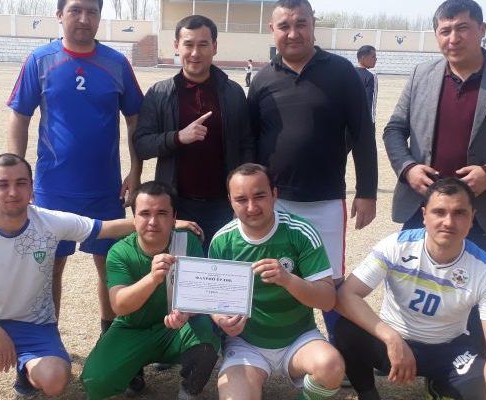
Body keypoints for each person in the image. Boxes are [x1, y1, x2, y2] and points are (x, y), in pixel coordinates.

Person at [382, 0, 486, 353]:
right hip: (422, 206)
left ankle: (469, 365)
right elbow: (394, 129)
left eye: (462, 28)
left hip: (483, 212)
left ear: (481, 30)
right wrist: (408, 168)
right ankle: (413, 355)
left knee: (477, 292)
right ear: (436, 35)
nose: (453, 38)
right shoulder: (421, 74)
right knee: (413, 285)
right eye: (445, 30)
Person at [0, 154, 142, 400]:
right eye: (2, 184)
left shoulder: (49, 222)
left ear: (31, 187)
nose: (12, 192)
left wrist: (163, 221)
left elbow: (107, 228)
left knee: (55, 380)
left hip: (36, 326)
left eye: (21, 183)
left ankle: (25, 365)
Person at [6, 0, 145, 335]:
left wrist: (136, 172)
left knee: (111, 267)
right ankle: (47, 339)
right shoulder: (40, 61)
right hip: (54, 189)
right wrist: (16, 176)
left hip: (106, 190)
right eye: (75, 10)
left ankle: (110, 337)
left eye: (92, 12)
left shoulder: (116, 63)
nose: (84, 19)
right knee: (50, 267)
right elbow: (20, 117)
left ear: (99, 17)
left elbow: (135, 120)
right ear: (59, 15)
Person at [248, 0, 378, 338]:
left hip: (325, 200)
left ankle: (342, 348)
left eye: (301, 24)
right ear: (272, 30)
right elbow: (251, 142)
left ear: (313, 24)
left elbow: (363, 133)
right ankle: (280, 342)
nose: (293, 33)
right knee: (276, 276)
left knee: (330, 281)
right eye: (284, 26)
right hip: (275, 202)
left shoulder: (342, 72)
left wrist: (367, 192)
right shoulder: (262, 80)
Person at [333, 178, 486, 400]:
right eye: (439, 212)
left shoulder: (485, 268)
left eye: (459, 213)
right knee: (346, 329)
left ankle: (439, 385)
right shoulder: (396, 245)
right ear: (424, 215)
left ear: (472, 218)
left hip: (450, 353)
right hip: (394, 343)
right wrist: (391, 338)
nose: (448, 222)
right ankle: (368, 394)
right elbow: (346, 295)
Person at [210, 163, 345, 400]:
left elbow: (327, 300)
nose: (252, 207)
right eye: (241, 199)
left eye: (259, 196)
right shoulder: (222, 241)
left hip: (298, 339)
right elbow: (213, 299)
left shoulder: (301, 232)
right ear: (230, 201)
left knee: (331, 367)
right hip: (245, 345)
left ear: (274, 194)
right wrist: (222, 319)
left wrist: (288, 279)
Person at [81, 181, 220, 400]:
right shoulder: (120, 252)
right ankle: (133, 374)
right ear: (134, 218)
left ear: (174, 218)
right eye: (145, 214)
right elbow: (119, 305)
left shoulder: (188, 243)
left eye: (162, 213)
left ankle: (189, 390)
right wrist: (153, 278)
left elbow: (200, 294)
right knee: (95, 381)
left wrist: (186, 313)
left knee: (208, 340)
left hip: (175, 329)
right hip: (132, 328)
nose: (153, 222)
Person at [134, 15, 254, 252]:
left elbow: (247, 144)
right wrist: (178, 137)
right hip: (177, 205)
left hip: (224, 204)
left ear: (214, 47)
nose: (195, 53)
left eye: (203, 44)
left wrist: (243, 195)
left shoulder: (232, 92)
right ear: (176, 46)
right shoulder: (159, 93)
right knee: (177, 268)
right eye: (188, 44)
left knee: (222, 266)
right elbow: (142, 144)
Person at [355, 45, 378, 126]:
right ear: (363, 58)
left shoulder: (349, 72)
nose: (376, 59)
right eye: (373, 57)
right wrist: (371, 124)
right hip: (364, 123)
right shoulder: (371, 76)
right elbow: (371, 103)